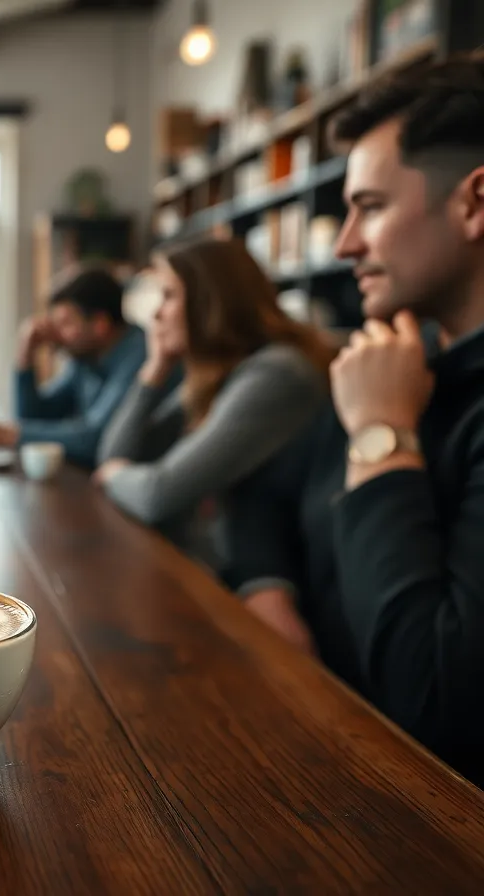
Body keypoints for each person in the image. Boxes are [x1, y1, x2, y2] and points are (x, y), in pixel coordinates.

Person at [224, 54, 484, 785]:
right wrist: (268, 591)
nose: (343, 245)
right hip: (309, 735)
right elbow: (261, 496)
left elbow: (436, 702)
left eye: (369, 207)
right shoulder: (391, 353)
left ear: (473, 204)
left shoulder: (382, 388)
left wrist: (382, 438)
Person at [94, 238, 333, 569]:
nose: (156, 314)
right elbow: (115, 455)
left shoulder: (277, 373)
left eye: (169, 296)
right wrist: (154, 370)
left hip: (267, 582)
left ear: (210, 300)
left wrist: (114, 475)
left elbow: (157, 494)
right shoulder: (218, 374)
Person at [0, 265, 147, 467]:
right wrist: (26, 357)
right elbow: (34, 417)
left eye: (66, 324)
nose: (57, 334)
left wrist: (8, 435)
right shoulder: (86, 359)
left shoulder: (140, 355)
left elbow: (95, 439)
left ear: (100, 324)